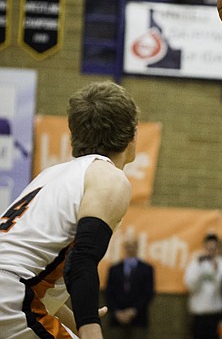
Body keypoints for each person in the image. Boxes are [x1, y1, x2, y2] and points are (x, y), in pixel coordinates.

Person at [0, 81, 137, 339]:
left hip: (14, 294)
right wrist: (90, 328)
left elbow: (31, 270)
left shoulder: (49, 175)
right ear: (132, 134)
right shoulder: (110, 178)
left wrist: (73, 321)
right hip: (12, 298)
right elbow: (81, 261)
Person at [105, 238, 155, 339]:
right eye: (128, 246)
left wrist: (133, 311)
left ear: (138, 247)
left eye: (133, 246)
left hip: (139, 317)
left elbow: (148, 293)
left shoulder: (147, 269)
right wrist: (117, 312)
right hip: (117, 318)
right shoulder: (114, 269)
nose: (131, 249)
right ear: (124, 248)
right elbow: (109, 292)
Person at [184, 233, 222, 339]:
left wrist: (215, 271)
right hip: (198, 313)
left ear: (218, 248)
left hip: (216, 313)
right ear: (205, 247)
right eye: (209, 247)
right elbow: (190, 285)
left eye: (214, 248)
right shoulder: (196, 262)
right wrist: (199, 269)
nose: (211, 251)